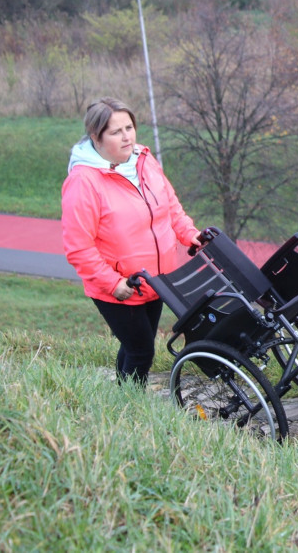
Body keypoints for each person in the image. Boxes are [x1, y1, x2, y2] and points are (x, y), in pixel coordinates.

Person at [61, 98, 200, 386]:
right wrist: (113, 284)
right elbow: (78, 247)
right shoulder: (83, 182)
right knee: (141, 351)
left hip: (157, 279)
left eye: (129, 127)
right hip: (120, 286)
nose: (127, 136)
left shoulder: (144, 159)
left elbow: (170, 206)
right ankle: (131, 411)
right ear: (95, 137)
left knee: (136, 345)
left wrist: (190, 234)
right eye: (115, 132)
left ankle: (120, 400)